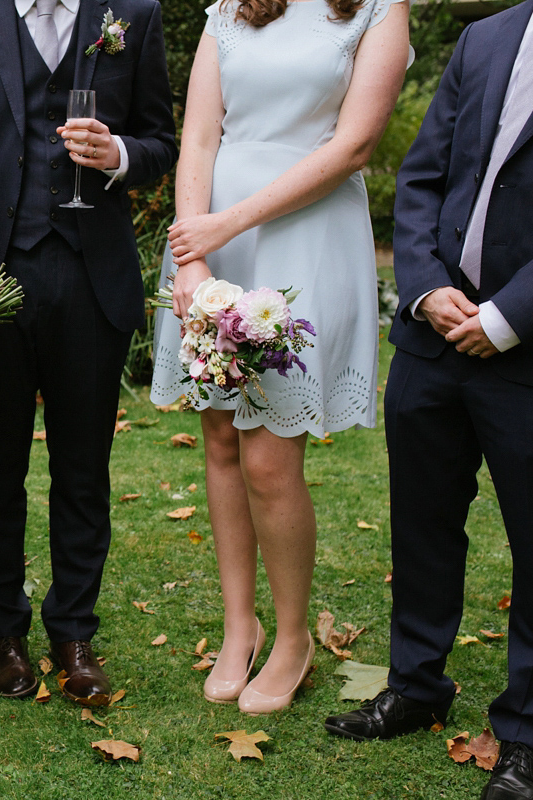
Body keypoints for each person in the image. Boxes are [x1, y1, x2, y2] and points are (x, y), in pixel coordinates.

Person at [149, 0, 408, 713]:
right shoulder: (230, 8)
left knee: (270, 455)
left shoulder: (377, 10)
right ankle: (241, 627)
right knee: (222, 437)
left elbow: (353, 147)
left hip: (304, 234)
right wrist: (194, 258)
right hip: (214, 237)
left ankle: (292, 638)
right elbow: (199, 138)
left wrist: (222, 225)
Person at [0, 0, 177, 705]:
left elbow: (161, 140)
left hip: (88, 275)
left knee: (83, 470)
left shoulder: (132, 12)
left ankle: (74, 632)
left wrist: (122, 155)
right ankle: (4, 633)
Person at [325, 1, 533, 795]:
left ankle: (524, 734)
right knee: (421, 522)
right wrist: (423, 289)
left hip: (525, 348)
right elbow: (420, 179)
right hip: (432, 338)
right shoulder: (487, 37)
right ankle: (416, 686)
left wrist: (509, 318)